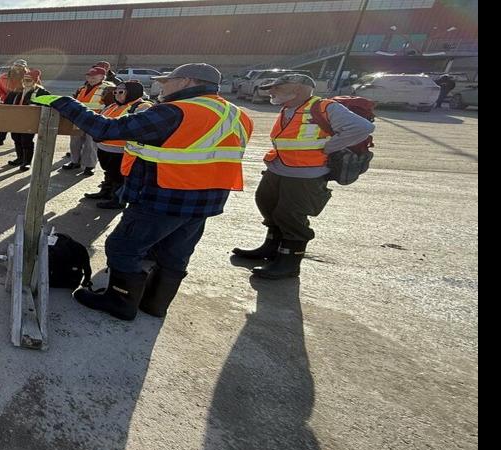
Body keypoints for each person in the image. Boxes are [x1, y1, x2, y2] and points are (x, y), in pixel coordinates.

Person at [32, 62, 252, 320]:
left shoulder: (176, 111)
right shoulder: (237, 114)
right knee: (174, 253)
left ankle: (120, 302)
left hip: (164, 196)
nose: (161, 85)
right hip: (205, 200)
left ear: (187, 82)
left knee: (123, 248)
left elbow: (106, 130)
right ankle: (155, 304)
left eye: (168, 80)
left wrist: (66, 103)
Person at [229, 73, 374, 279]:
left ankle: (289, 262)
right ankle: (271, 248)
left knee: (291, 216)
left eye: (276, 88)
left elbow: (363, 128)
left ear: (296, 89)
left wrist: (329, 147)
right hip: (279, 167)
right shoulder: (289, 108)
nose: (271, 92)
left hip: (305, 174)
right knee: (268, 205)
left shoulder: (324, 107)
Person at [86, 79, 151, 207]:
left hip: (123, 150)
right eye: (115, 92)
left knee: (120, 176)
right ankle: (106, 191)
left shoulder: (142, 107)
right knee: (109, 173)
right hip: (105, 148)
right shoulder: (113, 106)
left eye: (121, 92)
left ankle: (118, 200)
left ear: (132, 92)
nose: (116, 95)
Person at [62, 66, 113, 176]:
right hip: (78, 119)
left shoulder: (108, 89)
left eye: (94, 76)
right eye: (89, 76)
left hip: (95, 120)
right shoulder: (82, 88)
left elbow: (111, 106)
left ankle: (89, 166)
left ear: (102, 77)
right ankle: (74, 161)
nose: (91, 78)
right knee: (75, 142)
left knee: (91, 144)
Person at [3, 67, 42, 171]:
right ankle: (20, 158)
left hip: (30, 121)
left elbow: (46, 105)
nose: (25, 82)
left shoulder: (40, 92)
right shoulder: (18, 90)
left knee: (26, 141)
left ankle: (27, 162)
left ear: (34, 81)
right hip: (16, 120)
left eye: (28, 80)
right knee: (16, 138)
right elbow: (7, 102)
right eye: (24, 80)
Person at [0, 59, 27, 148]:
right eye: (17, 65)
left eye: (21, 66)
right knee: (4, 122)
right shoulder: (4, 77)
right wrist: (3, 96)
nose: (18, 68)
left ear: (24, 67)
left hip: (22, 102)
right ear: (13, 66)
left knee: (20, 123)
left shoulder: (29, 77)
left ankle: (20, 142)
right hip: (7, 101)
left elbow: (36, 88)